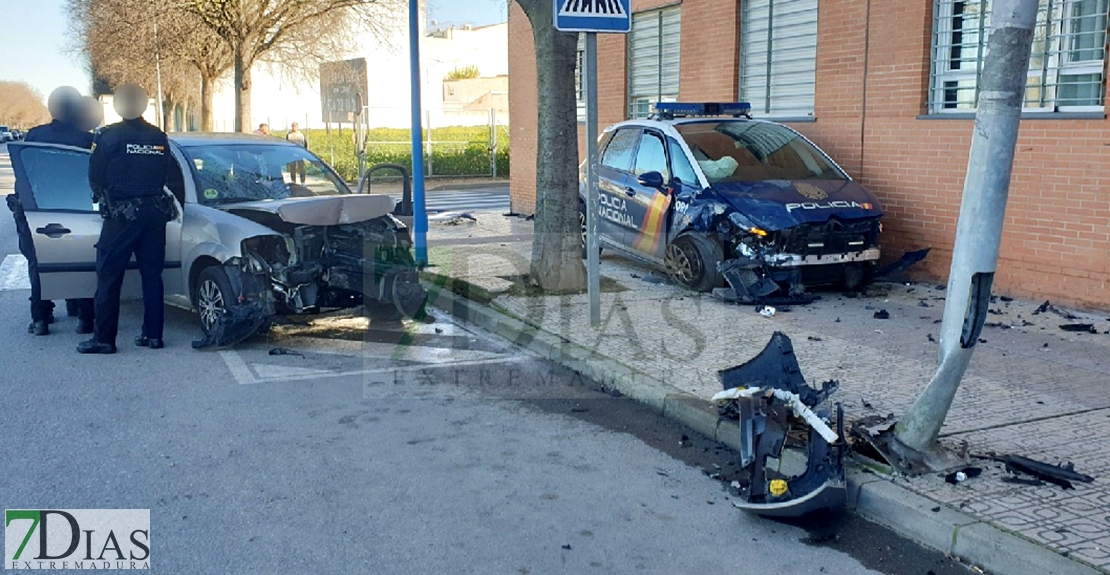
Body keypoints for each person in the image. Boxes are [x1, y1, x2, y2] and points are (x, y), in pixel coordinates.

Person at [78, 84, 175, 354]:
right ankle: (153, 335)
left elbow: (95, 176)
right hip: (155, 214)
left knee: (109, 276)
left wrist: (105, 197)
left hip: (122, 216)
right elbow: (166, 174)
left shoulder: (109, 137)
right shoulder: (159, 137)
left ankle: (104, 340)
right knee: (152, 277)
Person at [6, 86, 96, 336]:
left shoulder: (35, 136)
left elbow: (25, 174)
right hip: (78, 211)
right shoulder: (86, 138)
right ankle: (85, 318)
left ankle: (41, 319)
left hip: (40, 210)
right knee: (82, 263)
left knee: (39, 264)